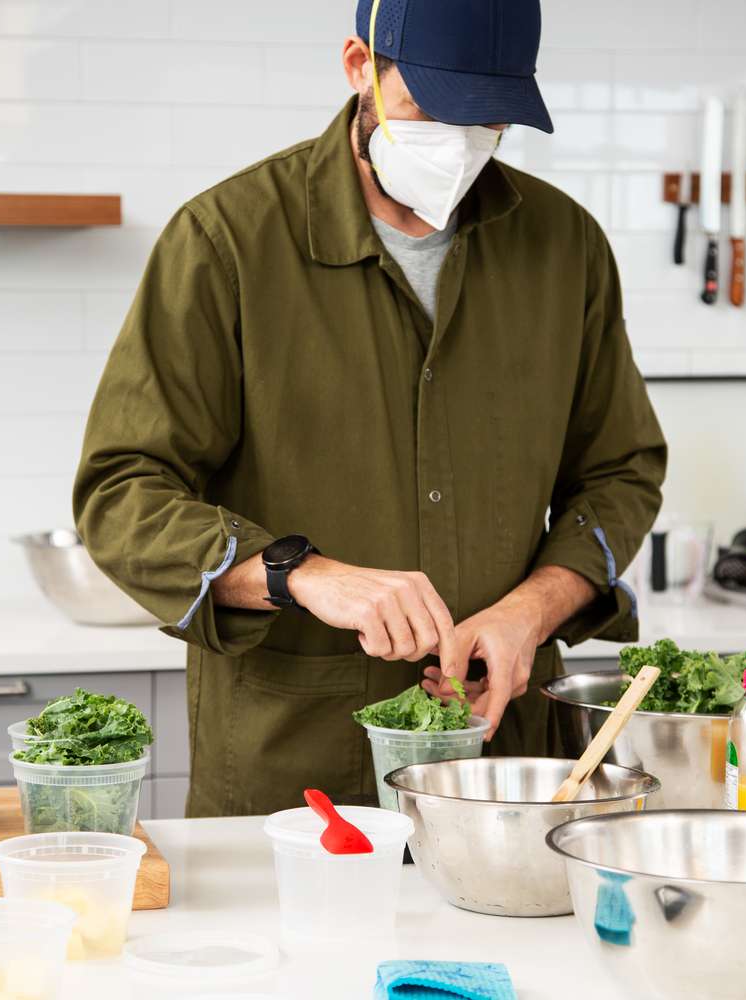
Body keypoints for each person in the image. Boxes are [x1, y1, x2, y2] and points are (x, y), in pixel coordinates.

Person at [75, 0, 666, 817]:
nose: (461, 141)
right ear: (360, 67)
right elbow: (122, 493)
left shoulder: (566, 249)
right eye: (434, 106)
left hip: (509, 775)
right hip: (294, 776)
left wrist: (533, 610)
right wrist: (300, 574)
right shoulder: (226, 243)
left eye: (486, 116)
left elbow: (621, 472)